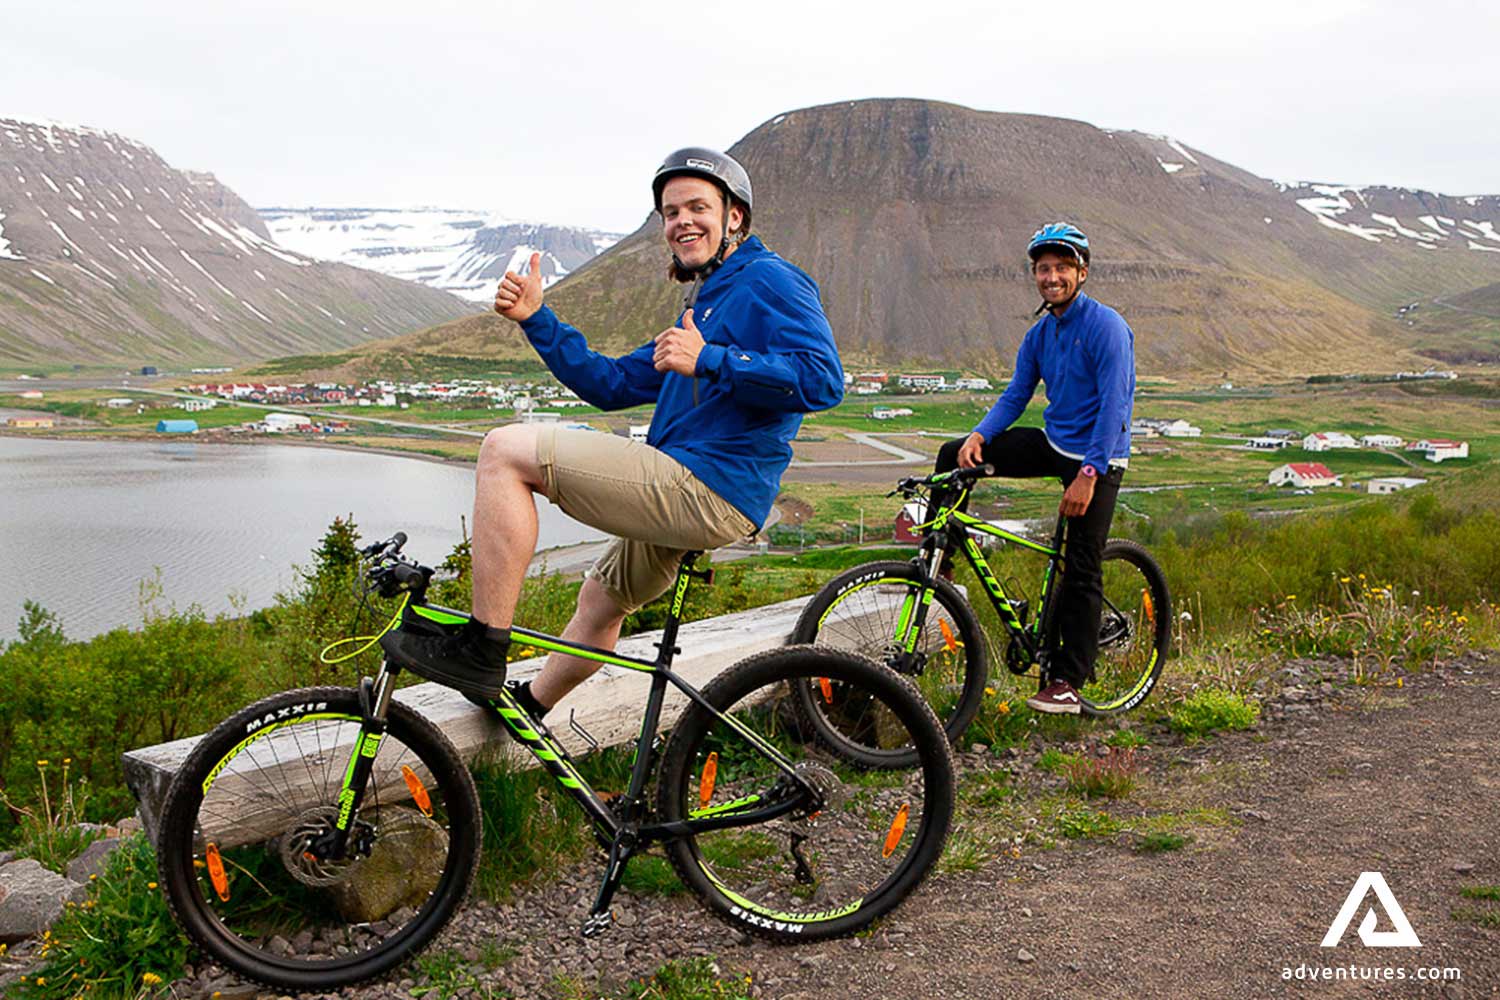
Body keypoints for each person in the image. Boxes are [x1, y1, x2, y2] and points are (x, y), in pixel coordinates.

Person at [381, 147, 844, 719]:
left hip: (708, 484)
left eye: (697, 207)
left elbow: (824, 382)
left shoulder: (770, 281)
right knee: (600, 603)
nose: (681, 222)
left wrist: (712, 359)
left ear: (735, 218)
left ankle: (482, 645)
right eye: (670, 213)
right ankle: (527, 709)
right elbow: (611, 383)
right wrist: (536, 319)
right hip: (693, 482)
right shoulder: (707, 299)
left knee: (504, 451)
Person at [931, 222, 1135, 715]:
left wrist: (1089, 474)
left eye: (1062, 267)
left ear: (1081, 272)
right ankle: (938, 562)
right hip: (1054, 442)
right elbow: (1018, 393)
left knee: (1081, 568)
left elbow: (1115, 406)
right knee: (951, 455)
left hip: (1099, 456)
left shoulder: (1106, 326)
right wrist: (980, 435)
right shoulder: (1042, 332)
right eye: (1044, 269)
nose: (1052, 276)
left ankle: (1068, 680)